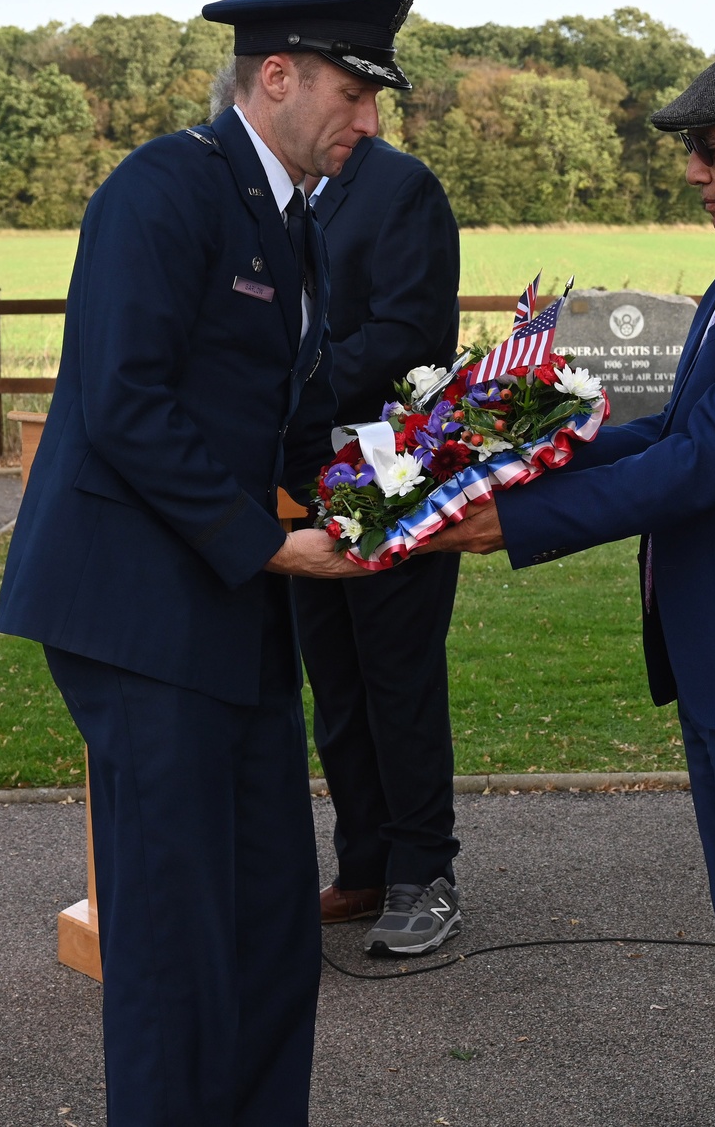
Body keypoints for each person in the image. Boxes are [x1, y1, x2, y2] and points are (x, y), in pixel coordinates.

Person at [428, 40, 715, 1127]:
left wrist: (521, 521)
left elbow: (711, 460)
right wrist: (510, 458)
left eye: (705, 145)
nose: (691, 168)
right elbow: (674, 434)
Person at [0, 0, 418, 1127]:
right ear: (274, 76)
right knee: (179, 932)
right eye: (353, 91)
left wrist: (411, 486)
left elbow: (276, 414)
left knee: (273, 917)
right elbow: (123, 402)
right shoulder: (162, 188)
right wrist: (273, 545)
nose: (369, 123)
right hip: (138, 610)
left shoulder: (290, 220)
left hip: (223, 606)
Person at [298, 135, 464, 956]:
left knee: (397, 679)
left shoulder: (403, 189)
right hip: (302, 480)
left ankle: (424, 873)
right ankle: (363, 863)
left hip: (393, 476)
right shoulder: (292, 188)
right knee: (335, 682)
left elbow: (410, 331)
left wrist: (294, 378)